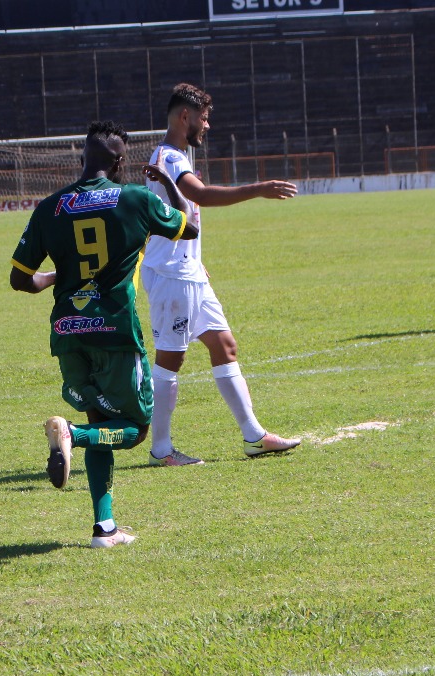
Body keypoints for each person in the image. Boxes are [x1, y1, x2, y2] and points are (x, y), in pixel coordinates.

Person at [10, 120, 198, 548]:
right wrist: (168, 181)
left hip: (68, 332)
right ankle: (69, 436)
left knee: (102, 424)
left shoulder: (50, 206)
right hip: (114, 330)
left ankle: (104, 528)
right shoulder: (133, 198)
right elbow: (189, 226)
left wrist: (64, 274)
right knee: (133, 428)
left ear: (83, 157)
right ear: (118, 161)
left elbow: (20, 279)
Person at [140, 82, 301, 466]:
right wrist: (258, 188)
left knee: (224, 344)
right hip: (172, 275)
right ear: (185, 116)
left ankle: (254, 437)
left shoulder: (175, 156)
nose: (207, 125)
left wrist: (196, 259)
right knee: (169, 359)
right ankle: (161, 450)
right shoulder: (170, 158)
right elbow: (201, 195)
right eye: (204, 118)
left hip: (188, 271)